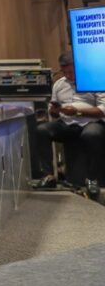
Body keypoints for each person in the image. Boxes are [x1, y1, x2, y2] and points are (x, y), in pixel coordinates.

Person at [33, 52, 105, 196]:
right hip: (67, 123)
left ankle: (92, 180)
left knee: (92, 134)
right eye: (65, 72)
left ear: (79, 68)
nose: (68, 75)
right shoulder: (59, 84)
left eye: (71, 72)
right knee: (41, 130)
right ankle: (49, 176)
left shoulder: (93, 80)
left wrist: (77, 112)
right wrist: (54, 111)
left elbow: (102, 110)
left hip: (90, 122)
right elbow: (53, 113)